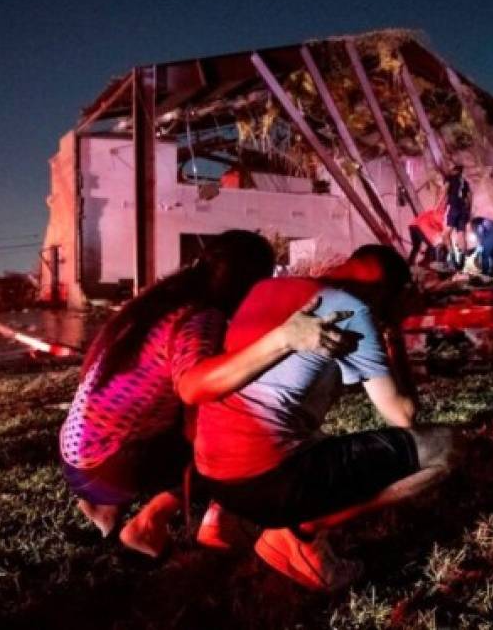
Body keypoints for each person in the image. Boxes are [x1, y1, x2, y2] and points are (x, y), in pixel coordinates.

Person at [59, 230, 352, 558]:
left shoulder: (158, 303)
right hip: (108, 466)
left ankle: (104, 510)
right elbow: (194, 386)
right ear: (247, 282)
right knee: (226, 442)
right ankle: (149, 526)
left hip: (76, 458)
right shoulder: (200, 317)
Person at [190, 245, 459, 591]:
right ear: (385, 290)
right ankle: (297, 533)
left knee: (300, 427)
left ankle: (221, 519)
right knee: (444, 447)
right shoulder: (350, 309)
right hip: (269, 483)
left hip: (214, 475)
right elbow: (402, 414)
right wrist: (395, 334)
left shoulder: (267, 288)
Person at [441, 165, 471, 270]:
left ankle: (453, 259)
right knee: (461, 235)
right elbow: (469, 198)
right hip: (463, 209)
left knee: (445, 235)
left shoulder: (450, 178)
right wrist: (468, 211)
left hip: (453, 207)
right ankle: (462, 263)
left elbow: (444, 191)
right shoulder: (465, 182)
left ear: (455, 171)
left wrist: (438, 206)